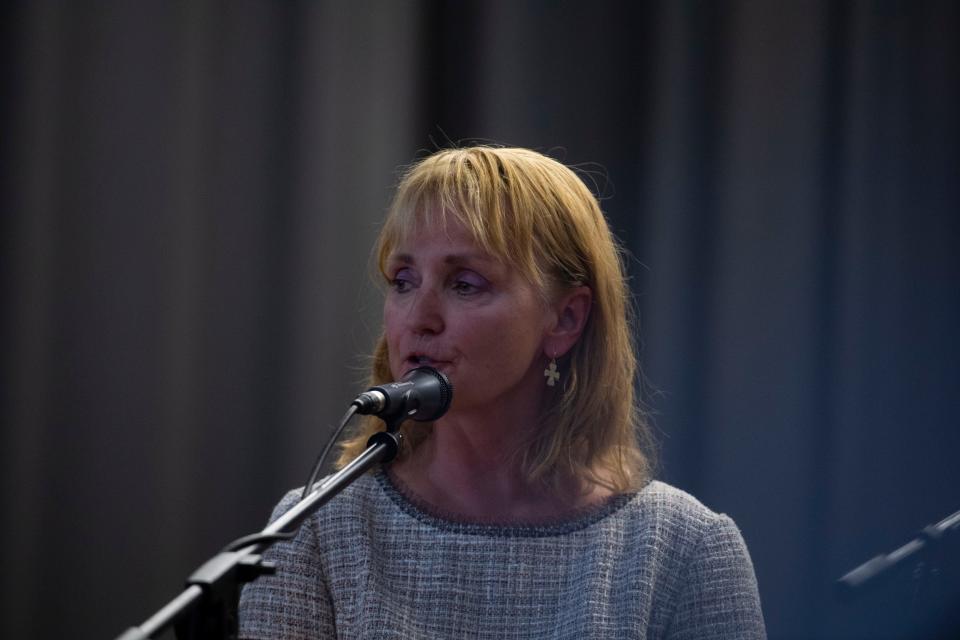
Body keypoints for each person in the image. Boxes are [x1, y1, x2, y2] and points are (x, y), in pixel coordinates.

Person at [239, 146, 766, 639]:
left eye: (465, 283)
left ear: (564, 319)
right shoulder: (315, 531)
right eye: (403, 281)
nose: (418, 318)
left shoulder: (684, 549)